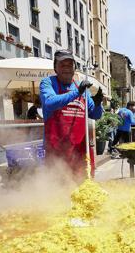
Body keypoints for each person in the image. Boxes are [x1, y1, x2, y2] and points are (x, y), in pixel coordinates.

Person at [40, 49, 104, 178]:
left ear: (75, 67)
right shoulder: (48, 83)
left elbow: (95, 115)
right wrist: (77, 93)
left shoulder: (80, 87)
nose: (66, 68)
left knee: (83, 191)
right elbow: (49, 102)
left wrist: (97, 104)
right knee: (58, 191)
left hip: (80, 152)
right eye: (62, 65)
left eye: (70, 65)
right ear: (55, 68)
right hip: (56, 154)